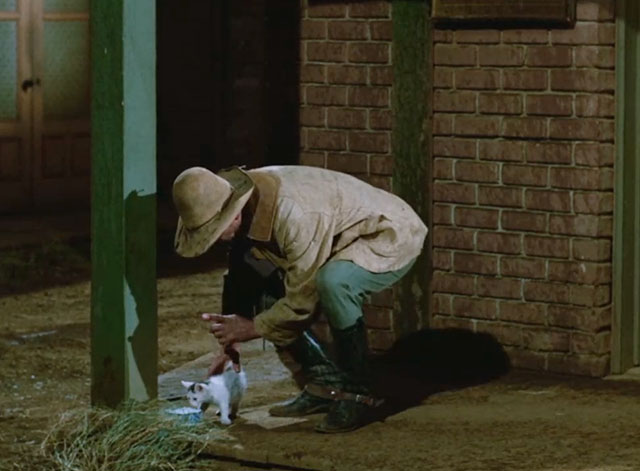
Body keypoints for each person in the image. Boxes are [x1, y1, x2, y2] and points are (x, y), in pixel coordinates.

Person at [172, 165, 428, 433]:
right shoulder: (234, 197)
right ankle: (324, 383)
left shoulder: (295, 214)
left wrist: (253, 328)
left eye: (215, 231)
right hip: (336, 237)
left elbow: (303, 299)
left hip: (388, 232)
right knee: (268, 294)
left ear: (233, 215)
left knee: (333, 282)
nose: (213, 241)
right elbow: (241, 272)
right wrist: (230, 339)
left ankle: (358, 393)